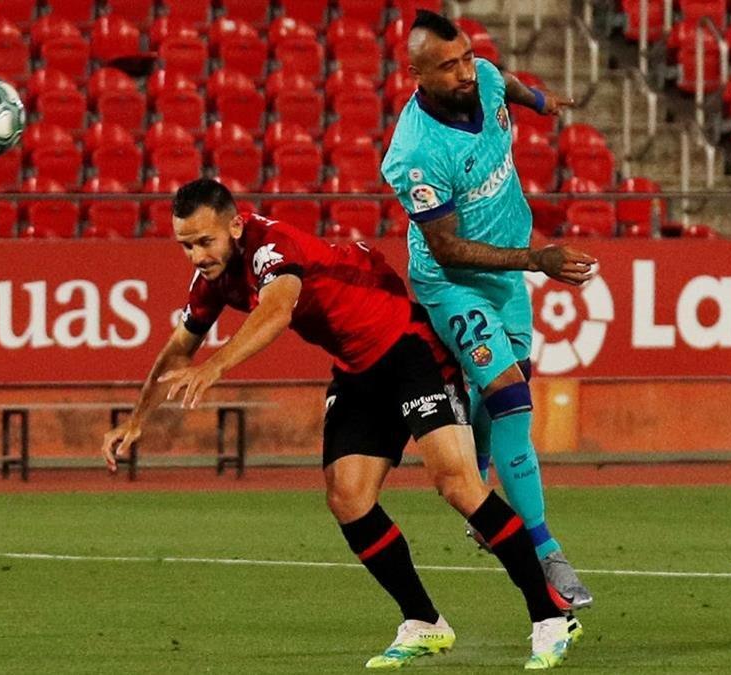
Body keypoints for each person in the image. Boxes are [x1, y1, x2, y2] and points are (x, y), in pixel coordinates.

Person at [101, 178, 581, 669]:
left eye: (206, 242)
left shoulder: (272, 248)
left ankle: (549, 615)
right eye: (187, 245)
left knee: (457, 484)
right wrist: (137, 420)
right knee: (348, 497)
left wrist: (215, 366)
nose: (198, 255)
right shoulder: (211, 280)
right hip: (358, 369)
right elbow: (177, 349)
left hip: (409, 348)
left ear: (235, 226)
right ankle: (424, 621)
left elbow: (277, 309)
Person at [381, 10, 599, 611]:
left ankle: (479, 481)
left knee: (504, 400)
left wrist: (543, 101)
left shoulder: (485, 77)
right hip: (453, 283)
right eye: (447, 66)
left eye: (466, 58)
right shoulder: (416, 153)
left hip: (504, 278)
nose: (464, 73)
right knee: (510, 397)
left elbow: (510, 84)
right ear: (416, 73)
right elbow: (447, 246)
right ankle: (545, 551)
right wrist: (537, 258)